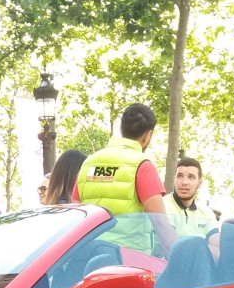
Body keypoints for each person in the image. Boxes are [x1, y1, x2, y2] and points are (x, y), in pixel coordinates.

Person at [72, 103, 175, 255]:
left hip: (89, 259)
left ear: (121, 129)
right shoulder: (142, 166)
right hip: (127, 262)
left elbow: (76, 215)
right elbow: (160, 224)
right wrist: (183, 260)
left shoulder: (89, 164)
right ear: (148, 135)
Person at [164, 157, 219, 245]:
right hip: (165, 258)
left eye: (191, 177)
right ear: (174, 179)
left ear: (199, 183)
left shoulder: (206, 212)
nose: (184, 182)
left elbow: (215, 246)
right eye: (180, 176)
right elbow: (170, 245)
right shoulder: (162, 206)